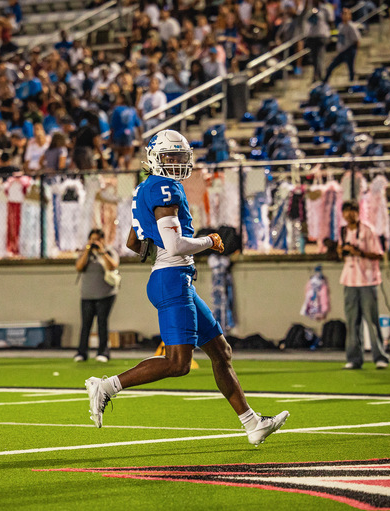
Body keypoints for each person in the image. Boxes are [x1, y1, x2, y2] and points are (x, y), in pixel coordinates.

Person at [84, 129, 288, 446]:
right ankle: (107, 386)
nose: (177, 163)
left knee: (221, 352)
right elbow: (176, 245)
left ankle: (252, 423)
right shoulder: (164, 188)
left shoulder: (145, 188)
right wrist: (211, 240)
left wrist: (158, 248)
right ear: (155, 159)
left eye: (181, 157)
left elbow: (134, 245)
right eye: (170, 157)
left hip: (175, 279)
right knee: (178, 364)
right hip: (172, 279)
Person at [337, 200, 390, 370]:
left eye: (352, 211)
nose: (349, 215)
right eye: (346, 211)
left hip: (367, 280)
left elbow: (378, 254)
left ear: (358, 212)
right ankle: (354, 358)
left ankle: (380, 356)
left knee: (372, 321)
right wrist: (341, 251)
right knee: (352, 322)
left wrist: (358, 252)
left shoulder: (368, 230)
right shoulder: (343, 231)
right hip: (349, 280)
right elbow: (342, 254)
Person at [74, 229, 120, 363]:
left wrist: (102, 252)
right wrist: (87, 250)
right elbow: (79, 267)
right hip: (87, 295)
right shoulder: (85, 253)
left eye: (97, 239)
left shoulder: (109, 251)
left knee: (102, 323)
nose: (94, 242)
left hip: (106, 294)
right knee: (86, 324)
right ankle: (81, 353)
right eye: (92, 239)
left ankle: (103, 352)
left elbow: (113, 266)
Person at [323, 7, 361, 84]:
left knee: (351, 68)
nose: (344, 15)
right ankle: (324, 82)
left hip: (349, 49)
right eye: (343, 13)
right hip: (342, 50)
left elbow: (357, 40)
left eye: (346, 14)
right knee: (331, 67)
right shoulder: (340, 26)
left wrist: (354, 50)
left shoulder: (351, 26)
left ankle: (352, 83)